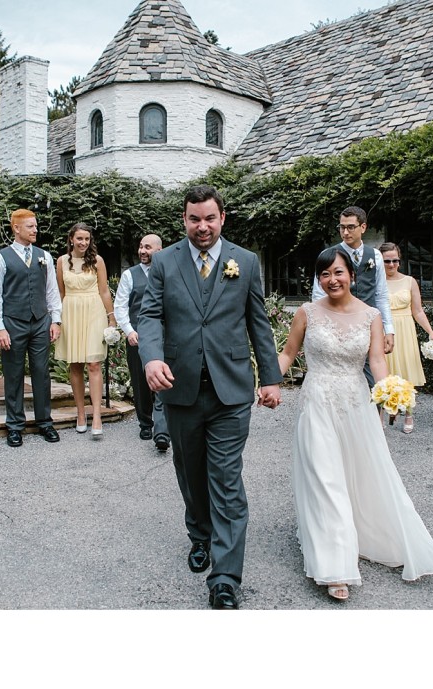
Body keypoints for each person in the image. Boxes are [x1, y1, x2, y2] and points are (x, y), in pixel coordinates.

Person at [278, 247, 433, 602]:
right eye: (325, 274)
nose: (332, 280)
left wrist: (389, 391)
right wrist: (267, 382)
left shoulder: (372, 315)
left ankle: (361, 535)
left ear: (353, 276)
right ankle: (335, 566)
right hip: (317, 402)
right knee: (325, 478)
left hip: (356, 404)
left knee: (360, 474)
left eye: (339, 273)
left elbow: (377, 361)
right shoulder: (306, 312)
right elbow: (287, 353)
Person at [139, 185, 283, 610]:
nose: (202, 227)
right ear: (184, 220)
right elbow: (150, 315)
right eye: (193, 219)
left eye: (209, 218)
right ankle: (199, 534)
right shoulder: (164, 262)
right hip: (178, 387)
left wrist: (271, 377)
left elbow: (258, 322)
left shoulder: (247, 261)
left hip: (231, 390)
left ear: (223, 218)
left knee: (225, 478)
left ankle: (224, 576)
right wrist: (150, 358)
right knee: (190, 473)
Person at [0, 209, 62, 448]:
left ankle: (45, 423)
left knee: (42, 373)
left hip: (40, 321)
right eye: (30, 226)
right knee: (14, 375)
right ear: (16, 228)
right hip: (12, 323)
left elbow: (52, 291)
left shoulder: (44, 256)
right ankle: (15, 426)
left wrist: (55, 320)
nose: (35, 230)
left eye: (36, 226)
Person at [311, 206, 394, 386]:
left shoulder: (376, 256)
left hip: (369, 325)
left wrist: (388, 329)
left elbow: (381, 295)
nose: (345, 232)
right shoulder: (328, 255)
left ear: (362, 227)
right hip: (337, 325)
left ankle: (374, 414)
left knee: (373, 379)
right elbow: (317, 295)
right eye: (342, 227)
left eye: (350, 227)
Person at [55, 222, 114, 437]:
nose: (83, 243)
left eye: (87, 239)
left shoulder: (97, 261)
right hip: (71, 311)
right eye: (80, 238)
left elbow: (105, 291)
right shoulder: (61, 261)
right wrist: (57, 320)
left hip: (94, 310)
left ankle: (96, 414)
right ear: (71, 239)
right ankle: (81, 414)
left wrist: (111, 318)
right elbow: (60, 293)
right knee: (75, 364)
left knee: (94, 363)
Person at [113, 234, 171, 452]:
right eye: (140, 247)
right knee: (140, 381)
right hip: (137, 336)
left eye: (147, 247)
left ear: (159, 250)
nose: (142, 251)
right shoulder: (130, 275)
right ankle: (145, 423)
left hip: (166, 336)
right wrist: (128, 331)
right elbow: (120, 306)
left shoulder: (168, 273)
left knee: (165, 379)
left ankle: (162, 428)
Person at [380, 242, 433, 434]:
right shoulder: (376, 281)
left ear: (399, 260)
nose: (391, 265)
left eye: (394, 260)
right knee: (383, 373)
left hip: (406, 329)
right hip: (383, 329)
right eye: (387, 261)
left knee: (406, 372)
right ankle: (381, 413)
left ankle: (408, 413)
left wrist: (430, 332)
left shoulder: (409, 281)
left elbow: (418, 311)